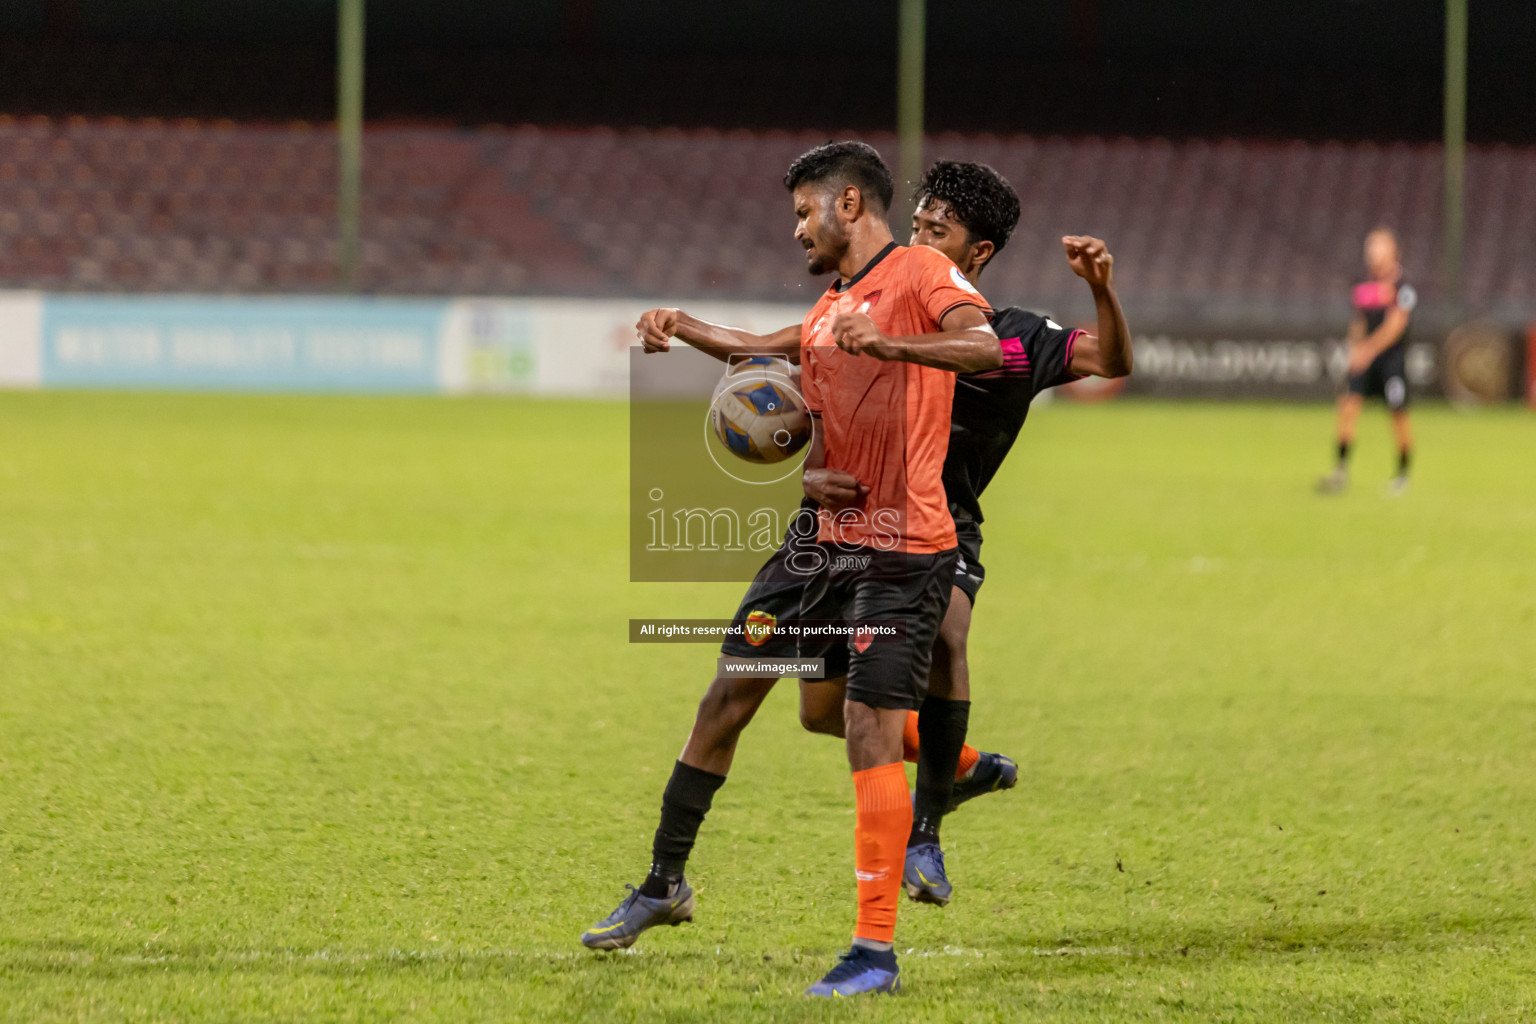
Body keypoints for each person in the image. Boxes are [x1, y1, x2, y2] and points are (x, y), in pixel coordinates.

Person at [583, 155, 1133, 997]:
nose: (922, 230)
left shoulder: (965, 306)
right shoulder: (838, 301)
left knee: (908, 686)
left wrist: (899, 339)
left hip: (918, 534)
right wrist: (687, 330)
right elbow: (781, 364)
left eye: (805, 213)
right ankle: (665, 882)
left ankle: (887, 917)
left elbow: (998, 351)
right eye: (921, 217)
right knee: (766, 702)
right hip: (824, 538)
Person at [1318, 227, 1416, 496]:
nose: (1372, 251)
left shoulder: (1403, 284)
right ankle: (1340, 470)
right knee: (1348, 408)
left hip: (1391, 360)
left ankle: (1402, 474)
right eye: (1370, 246)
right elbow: (1358, 322)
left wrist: (1369, 350)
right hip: (1364, 357)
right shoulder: (1362, 284)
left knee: (1398, 414)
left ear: (1392, 249)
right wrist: (1354, 350)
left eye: (1378, 246)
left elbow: (1396, 326)